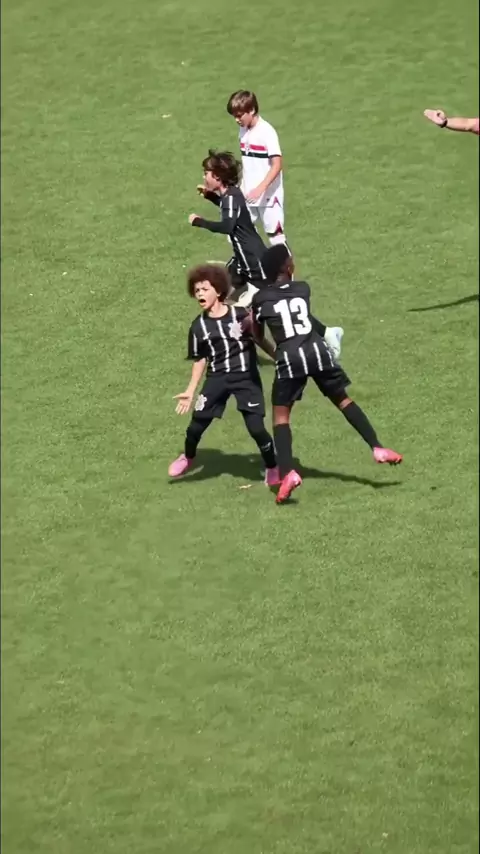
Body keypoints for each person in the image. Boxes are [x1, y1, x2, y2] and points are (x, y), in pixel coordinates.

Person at [252, 245, 403, 504]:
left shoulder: (260, 299)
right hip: (317, 352)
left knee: (281, 416)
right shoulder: (303, 289)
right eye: (291, 260)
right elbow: (302, 317)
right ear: (287, 267)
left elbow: (257, 334)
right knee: (343, 400)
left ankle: (288, 473)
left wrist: (276, 354)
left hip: (290, 357)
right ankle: (377, 447)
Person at [168, 263, 280, 486]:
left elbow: (260, 340)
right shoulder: (198, 327)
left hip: (246, 378)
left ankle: (272, 466)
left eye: (204, 289)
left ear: (218, 290)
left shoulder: (241, 315)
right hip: (217, 379)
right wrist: (190, 391)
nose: (200, 294)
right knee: (196, 425)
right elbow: (200, 359)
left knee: (256, 428)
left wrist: (279, 359)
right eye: (196, 290)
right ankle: (188, 457)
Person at [189, 150, 268, 308]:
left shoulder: (230, 198)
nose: (204, 177)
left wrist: (199, 222)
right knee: (227, 278)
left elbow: (227, 226)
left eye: (206, 173)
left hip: (251, 260)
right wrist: (210, 196)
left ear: (218, 176)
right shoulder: (231, 194)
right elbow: (227, 208)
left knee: (246, 306)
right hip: (245, 256)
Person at [227, 90, 288, 248]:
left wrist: (260, 189)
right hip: (248, 194)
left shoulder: (267, 132)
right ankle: (250, 263)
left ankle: (286, 267)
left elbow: (277, 164)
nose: (236, 120)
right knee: (236, 232)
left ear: (252, 110)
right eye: (234, 116)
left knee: (276, 239)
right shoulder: (243, 130)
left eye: (239, 115)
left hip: (268, 196)